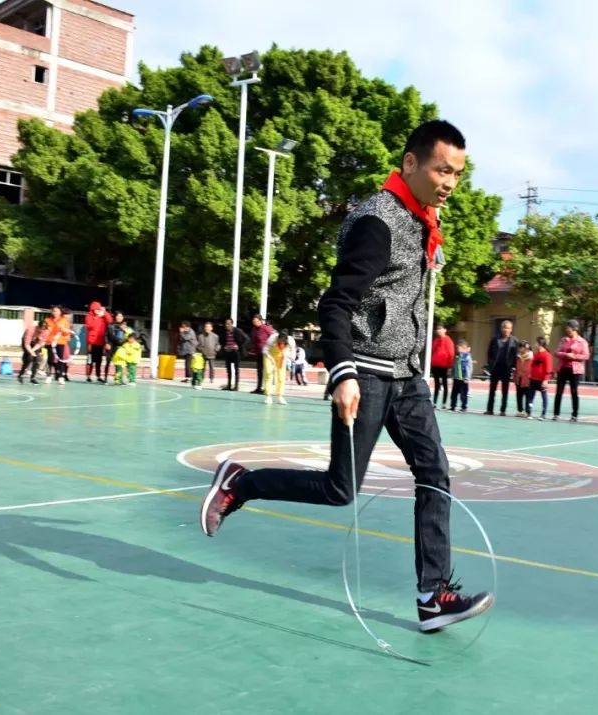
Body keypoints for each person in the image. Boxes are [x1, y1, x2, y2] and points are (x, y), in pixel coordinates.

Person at [200, 119, 494, 632]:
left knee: (436, 474)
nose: (449, 182)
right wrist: (342, 372)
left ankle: (432, 596)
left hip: (405, 375)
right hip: (367, 372)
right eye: (441, 170)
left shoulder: (420, 220)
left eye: (457, 174)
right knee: (341, 489)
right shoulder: (377, 220)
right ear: (410, 164)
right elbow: (335, 302)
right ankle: (241, 483)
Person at [553, 319, 590, 422]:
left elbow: (586, 356)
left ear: (574, 329)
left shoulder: (582, 341)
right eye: (566, 328)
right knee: (559, 391)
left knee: (574, 391)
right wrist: (565, 355)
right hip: (563, 368)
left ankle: (574, 415)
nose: (567, 330)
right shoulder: (563, 340)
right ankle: (556, 414)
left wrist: (574, 356)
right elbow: (556, 352)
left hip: (575, 370)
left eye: (568, 328)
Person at [485, 320, 517, 416]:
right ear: (501, 328)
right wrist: (490, 364)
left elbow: (515, 355)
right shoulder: (494, 339)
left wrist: (514, 367)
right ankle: (489, 409)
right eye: (504, 327)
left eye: (508, 328)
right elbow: (489, 353)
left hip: (506, 368)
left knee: (505, 390)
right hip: (495, 368)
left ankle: (503, 410)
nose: (505, 330)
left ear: (511, 329)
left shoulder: (515, 341)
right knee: (492, 390)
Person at [83, 302, 112, 383]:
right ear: (92, 309)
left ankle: (98, 376)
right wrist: (96, 318)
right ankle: (88, 376)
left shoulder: (103, 316)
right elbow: (89, 326)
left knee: (99, 360)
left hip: (100, 342)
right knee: (90, 360)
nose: (97, 310)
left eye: (99, 309)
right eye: (96, 309)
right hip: (91, 342)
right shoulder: (89, 316)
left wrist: (105, 313)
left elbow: (110, 320)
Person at [527, 336, 553, 419]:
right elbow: (532, 366)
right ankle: (529, 413)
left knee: (544, 396)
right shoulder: (536, 354)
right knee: (530, 396)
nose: (534, 345)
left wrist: (545, 380)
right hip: (533, 379)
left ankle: (543, 414)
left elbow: (548, 369)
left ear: (540, 344)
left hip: (541, 380)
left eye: (536, 343)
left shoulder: (547, 355)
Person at [430, 325, 455, 409]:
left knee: (445, 384)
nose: (438, 330)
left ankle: (444, 403)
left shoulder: (449, 341)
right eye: (437, 329)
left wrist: (450, 366)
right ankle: (434, 402)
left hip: (444, 366)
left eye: (440, 329)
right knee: (437, 385)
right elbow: (432, 351)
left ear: (445, 330)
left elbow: (451, 354)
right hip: (435, 365)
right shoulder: (436, 340)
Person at [46, 306, 72, 384]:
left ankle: (61, 377)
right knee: (50, 360)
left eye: (57, 311)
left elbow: (67, 334)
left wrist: (64, 330)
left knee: (60, 359)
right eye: (54, 311)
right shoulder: (47, 320)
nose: (55, 313)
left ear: (60, 312)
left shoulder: (64, 321)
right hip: (50, 342)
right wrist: (48, 331)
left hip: (60, 342)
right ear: (51, 312)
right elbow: (44, 332)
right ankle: (49, 376)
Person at [263, 331, 290, 405]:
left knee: (281, 377)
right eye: (280, 340)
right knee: (269, 374)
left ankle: (280, 396)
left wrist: (288, 357)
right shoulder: (272, 339)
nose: (281, 342)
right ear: (278, 338)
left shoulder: (290, 341)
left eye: (283, 341)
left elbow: (291, 351)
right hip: (269, 355)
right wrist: (271, 359)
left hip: (281, 357)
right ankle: (268, 396)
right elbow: (265, 350)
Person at [249, 315, 274, 395]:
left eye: (256, 321)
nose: (254, 323)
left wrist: (271, 348)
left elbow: (273, 337)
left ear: (260, 321)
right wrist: (252, 350)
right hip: (258, 353)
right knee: (259, 371)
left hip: (266, 353)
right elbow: (254, 341)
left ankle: (266, 388)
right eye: (253, 322)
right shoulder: (254, 329)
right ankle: (259, 388)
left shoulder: (265, 328)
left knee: (266, 371)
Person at [221, 319, 248, 391]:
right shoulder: (224, 332)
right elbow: (222, 341)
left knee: (236, 370)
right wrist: (224, 347)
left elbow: (246, 339)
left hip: (235, 352)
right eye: (226, 324)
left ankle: (236, 386)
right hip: (228, 352)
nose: (227, 325)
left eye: (229, 324)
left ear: (232, 324)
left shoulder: (238, 331)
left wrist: (239, 346)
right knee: (228, 370)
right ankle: (229, 385)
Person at [19, 320, 48, 384]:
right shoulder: (31, 330)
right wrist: (31, 352)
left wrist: (33, 351)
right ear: (38, 326)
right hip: (26, 343)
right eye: (41, 329)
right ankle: (21, 375)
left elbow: (40, 344)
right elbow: (27, 344)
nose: (42, 331)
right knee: (29, 358)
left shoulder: (45, 332)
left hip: (35, 344)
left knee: (38, 359)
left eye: (44, 329)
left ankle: (33, 377)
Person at [450, 339, 473, 412]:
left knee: (463, 394)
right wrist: (452, 374)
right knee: (454, 393)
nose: (457, 349)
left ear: (464, 348)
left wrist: (467, 377)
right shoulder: (457, 356)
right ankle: (453, 405)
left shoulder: (467, 357)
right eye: (457, 348)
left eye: (459, 348)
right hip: (456, 378)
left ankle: (464, 406)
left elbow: (469, 368)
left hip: (463, 379)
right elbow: (454, 366)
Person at [513, 341, 533, 418]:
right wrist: (515, 377)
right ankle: (520, 410)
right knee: (519, 395)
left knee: (528, 396)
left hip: (527, 379)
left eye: (522, 347)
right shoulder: (518, 357)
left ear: (526, 348)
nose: (520, 349)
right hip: (519, 378)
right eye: (520, 347)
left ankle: (528, 411)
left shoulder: (531, 358)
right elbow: (516, 368)